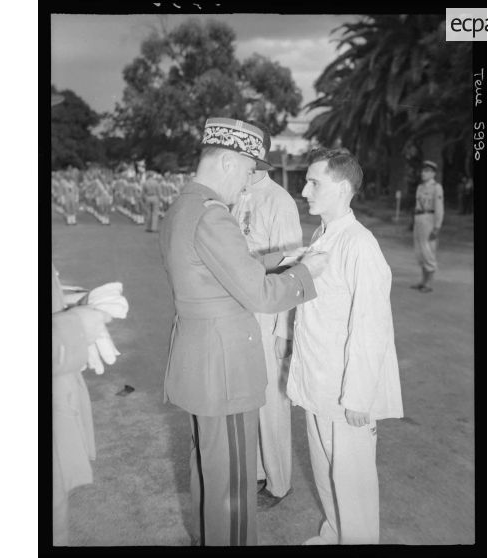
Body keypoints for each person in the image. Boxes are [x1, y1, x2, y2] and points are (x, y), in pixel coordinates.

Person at [159, 117, 328, 546]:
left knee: (209, 473)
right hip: (226, 372)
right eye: (249, 170)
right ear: (229, 162)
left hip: (200, 365)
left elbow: (215, 273)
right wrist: (306, 273)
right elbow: (260, 296)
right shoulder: (214, 215)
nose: (246, 183)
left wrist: (279, 259)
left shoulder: (184, 206)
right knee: (232, 490)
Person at [286, 147, 404, 545]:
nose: (304, 191)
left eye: (313, 183)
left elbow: (371, 326)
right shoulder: (321, 235)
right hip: (318, 381)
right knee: (325, 471)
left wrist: (358, 396)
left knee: (353, 484)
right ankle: (334, 534)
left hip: (346, 389)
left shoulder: (360, 244)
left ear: (341, 188)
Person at [230, 121, 302, 507]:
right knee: (246, 396)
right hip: (236, 311)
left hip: (267, 314)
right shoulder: (235, 196)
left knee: (272, 402)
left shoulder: (279, 201)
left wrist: (284, 331)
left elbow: (290, 268)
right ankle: (257, 472)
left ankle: (278, 482)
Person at [411, 160, 444, 293]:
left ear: (433, 173)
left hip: (429, 219)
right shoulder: (420, 187)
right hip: (419, 219)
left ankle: (429, 283)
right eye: (423, 170)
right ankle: (423, 281)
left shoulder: (436, 187)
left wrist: (437, 227)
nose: (423, 173)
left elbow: (439, 208)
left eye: (427, 171)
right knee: (419, 251)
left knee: (428, 250)